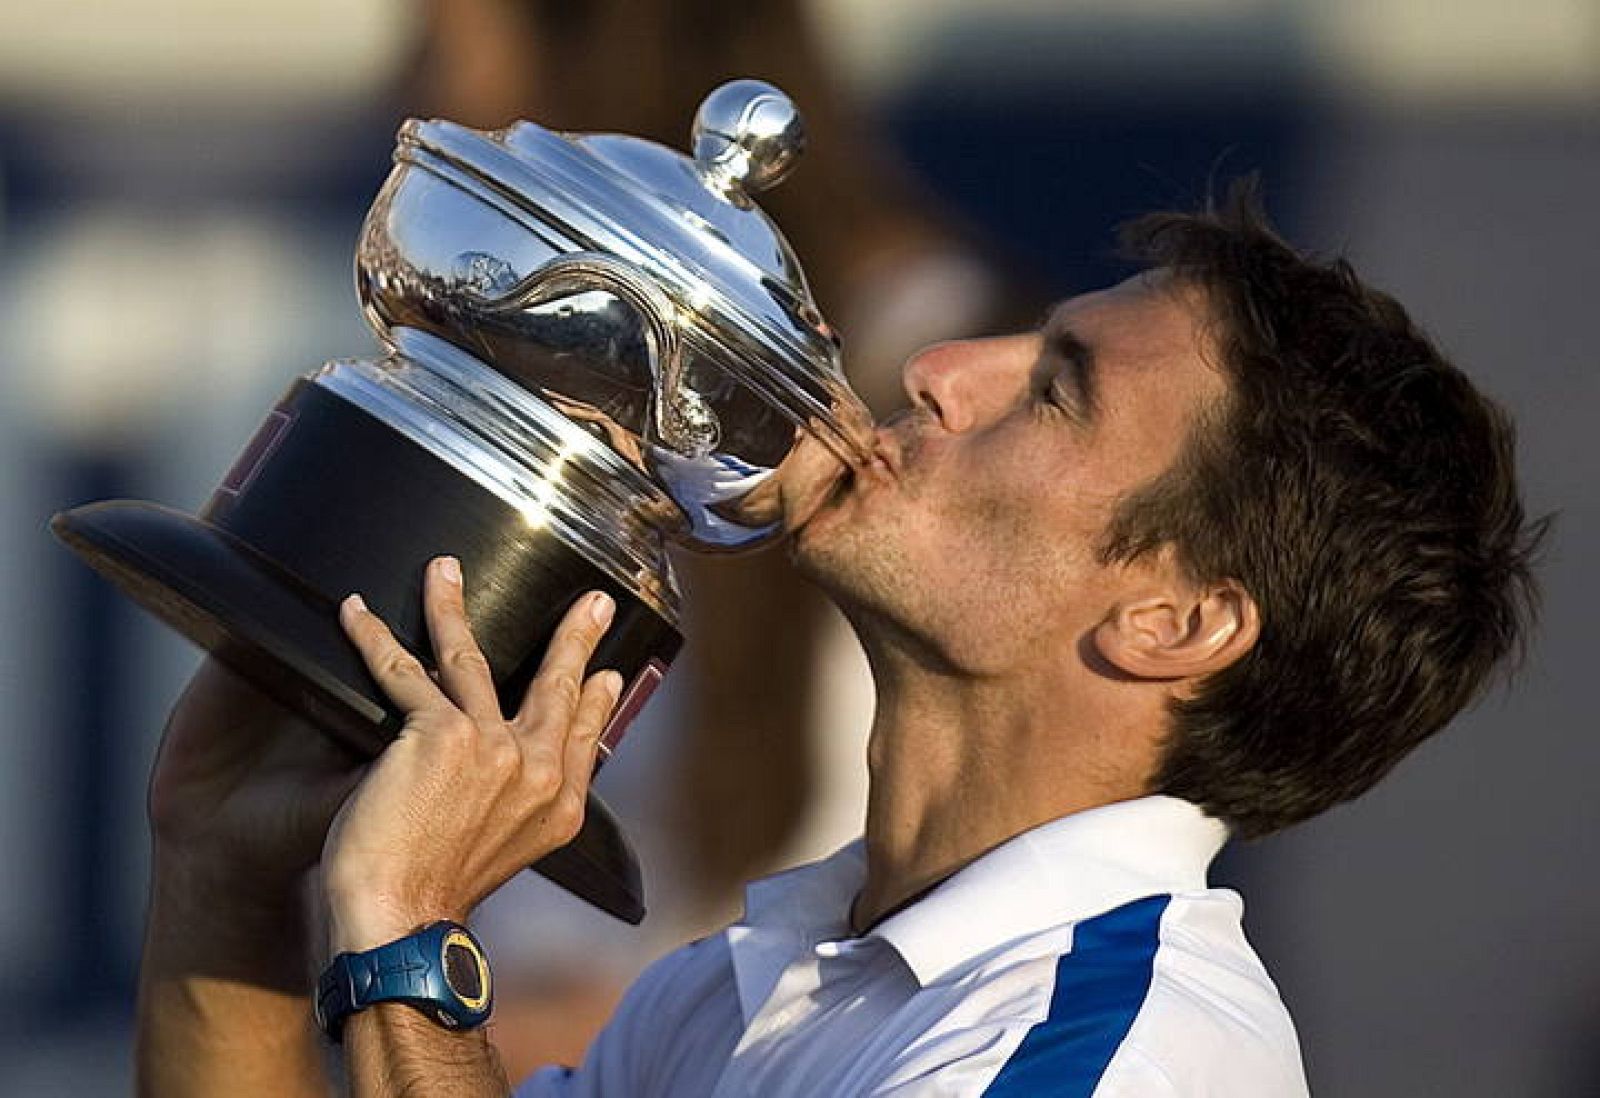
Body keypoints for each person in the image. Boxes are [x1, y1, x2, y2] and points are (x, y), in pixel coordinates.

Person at [133, 185, 1544, 1096]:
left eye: (1054, 391)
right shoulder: (742, 992)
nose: (937, 370)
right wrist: (223, 874)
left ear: (1175, 619)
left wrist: (410, 940)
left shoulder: (1124, 1059)